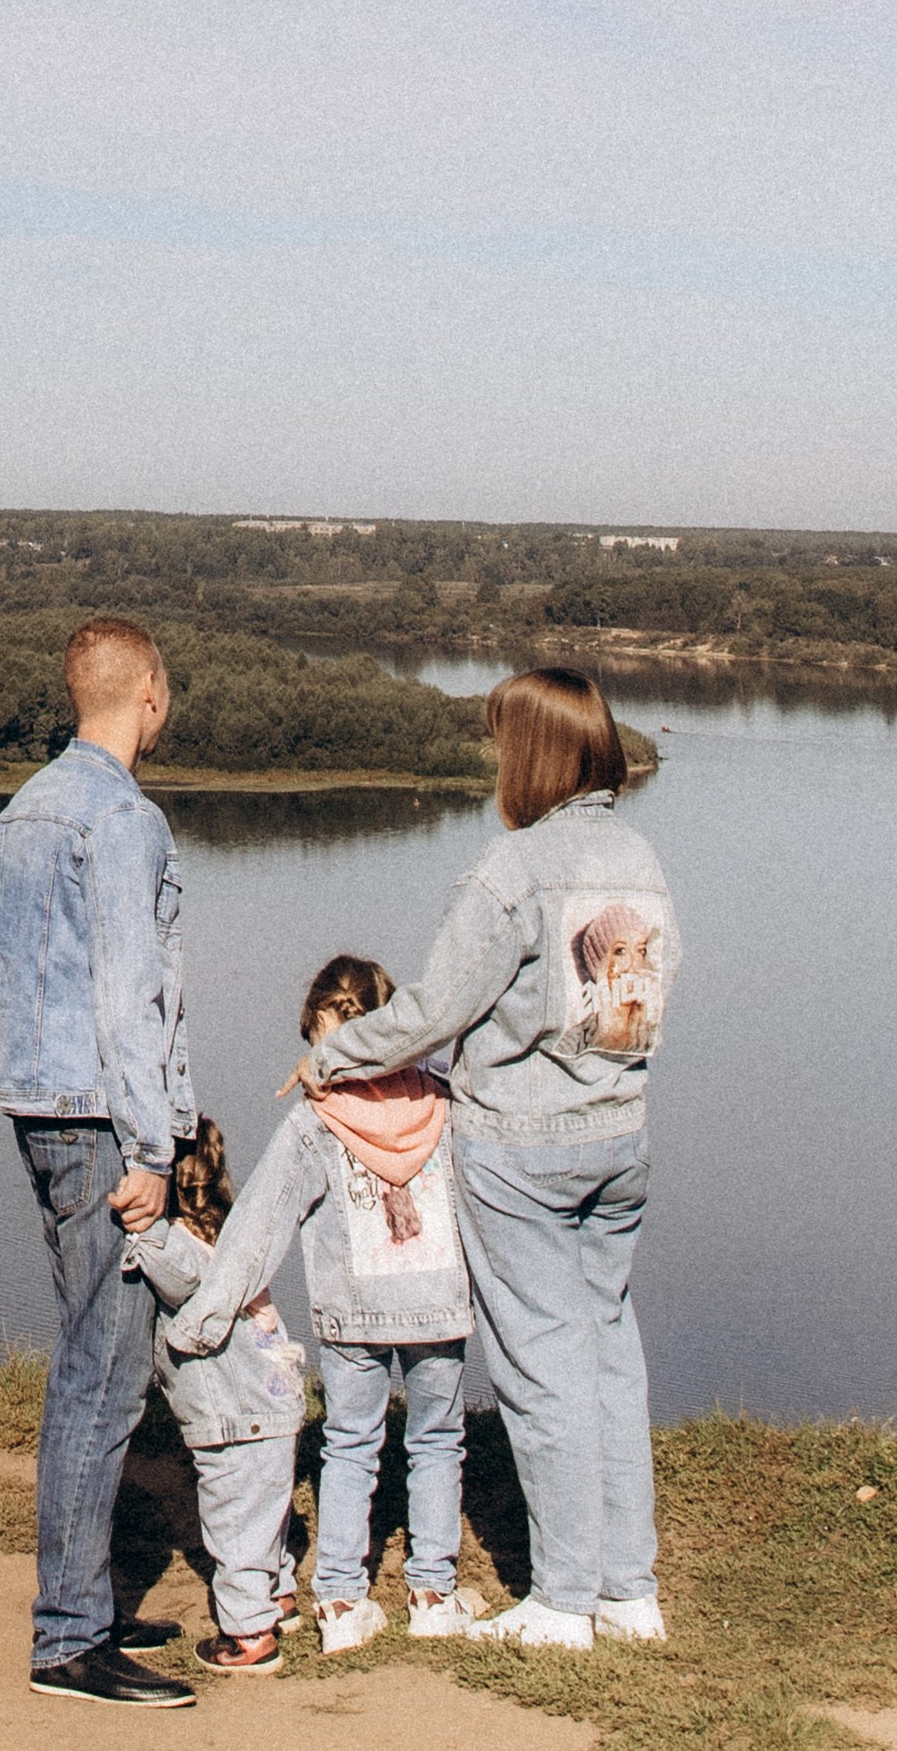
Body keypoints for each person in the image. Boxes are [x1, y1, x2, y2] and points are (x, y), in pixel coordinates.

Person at [296, 667, 680, 1653]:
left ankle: (559, 1598)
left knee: (539, 1367)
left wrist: (333, 1055)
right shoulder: (638, 856)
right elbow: (637, 1005)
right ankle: (628, 1590)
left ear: (532, 754)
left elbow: (432, 1010)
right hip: (620, 1135)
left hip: (522, 1148)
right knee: (607, 1352)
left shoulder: (511, 870)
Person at [0, 614, 199, 1711]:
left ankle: (86, 1601)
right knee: (104, 1376)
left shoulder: (30, 806)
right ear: (149, 695)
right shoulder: (122, 821)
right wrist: (155, 1147)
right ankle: (69, 1639)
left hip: (39, 1109)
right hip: (100, 1125)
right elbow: (127, 996)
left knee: (88, 1357)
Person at [163, 952, 481, 1651]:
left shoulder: (313, 1124)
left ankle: (339, 1598)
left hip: (351, 1316)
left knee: (348, 1443)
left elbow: (256, 1226)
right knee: (436, 1441)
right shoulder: (445, 1100)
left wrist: (203, 1317)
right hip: (438, 1305)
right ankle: (432, 1591)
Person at [123, 1120, 309, 1676]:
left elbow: (170, 1272)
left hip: (232, 1415)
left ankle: (248, 1635)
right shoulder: (232, 1231)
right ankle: (279, 1597)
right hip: (277, 1401)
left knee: (232, 1522)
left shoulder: (176, 1245)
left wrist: (133, 1219)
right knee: (266, 1514)